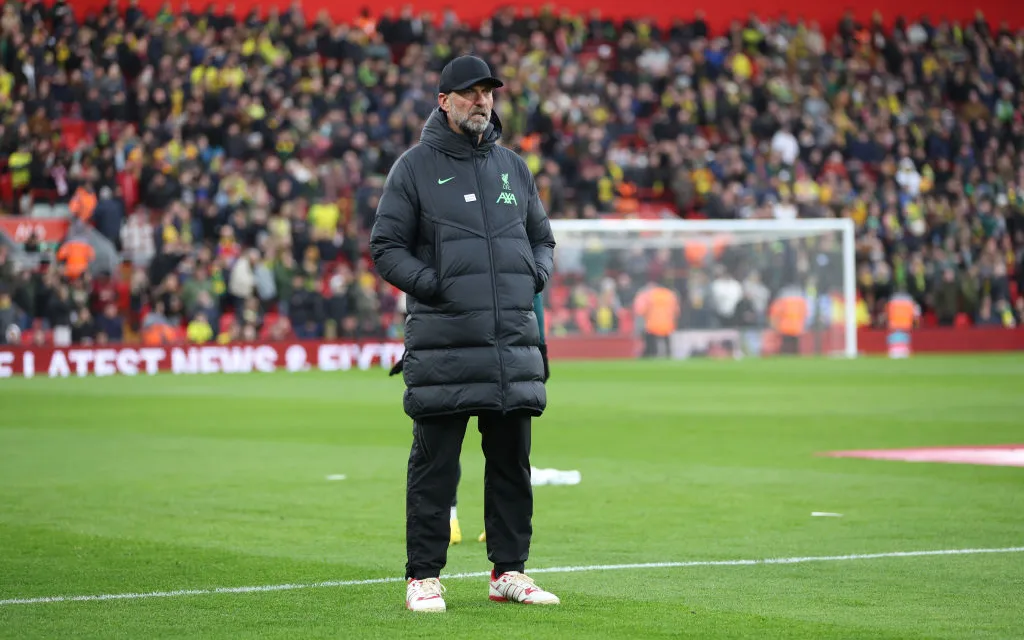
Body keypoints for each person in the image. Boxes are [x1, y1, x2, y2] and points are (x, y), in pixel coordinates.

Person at [370, 55, 560, 613]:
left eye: (488, 92)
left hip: (511, 346)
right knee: (434, 466)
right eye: (470, 92)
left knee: (511, 465)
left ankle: (509, 572)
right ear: (443, 101)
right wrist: (437, 286)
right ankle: (423, 577)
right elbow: (385, 247)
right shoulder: (413, 168)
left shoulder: (513, 168)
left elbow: (543, 238)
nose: (481, 101)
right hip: (444, 344)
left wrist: (533, 275)